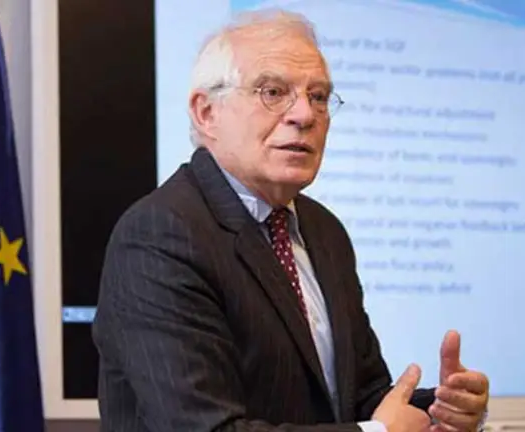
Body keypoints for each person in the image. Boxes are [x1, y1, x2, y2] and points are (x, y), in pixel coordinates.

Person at [92, 8, 489, 432]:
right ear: (206, 112)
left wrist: (441, 409)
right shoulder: (160, 235)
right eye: (273, 92)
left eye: (318, 97)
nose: (305, 115)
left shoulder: (324, 230)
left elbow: (357, 397)